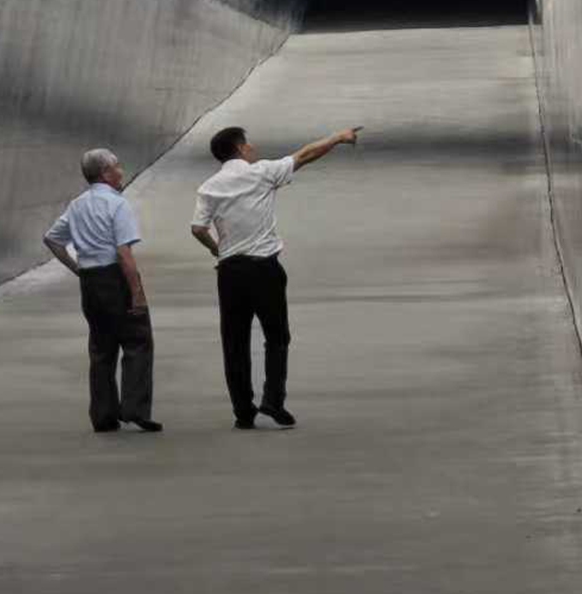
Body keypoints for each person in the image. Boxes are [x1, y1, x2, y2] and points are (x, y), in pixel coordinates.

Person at [190, 125, 361, 429]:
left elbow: (198, 228)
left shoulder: (208, 188)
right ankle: (273, 400)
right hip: (264, 269)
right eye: (248, 144)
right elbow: (305, 155)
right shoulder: (262, 173)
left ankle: (243, 412)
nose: (252, 148)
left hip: (230, 273)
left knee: (234, 342)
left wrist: (218, 250)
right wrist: (338, 138)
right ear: (240, 148)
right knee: (277, 336)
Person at [44, 148, 162, 433]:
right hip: (115, 277)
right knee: (137, 341)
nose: (121, 171)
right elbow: (124, 253)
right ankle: (135, 408)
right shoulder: (117, 204)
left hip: (90, 280)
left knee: (101, 348)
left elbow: (52, 239)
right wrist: (136, 292)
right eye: (117, 166)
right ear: (106, 173)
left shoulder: (77, 205)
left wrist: (77, 268)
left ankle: (103, 415)